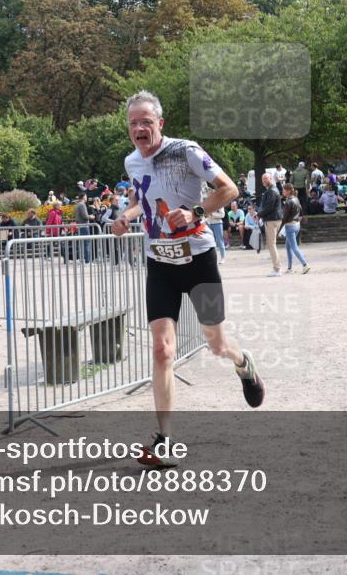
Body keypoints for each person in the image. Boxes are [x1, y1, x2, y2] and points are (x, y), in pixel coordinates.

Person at [111, 90, 264, 466]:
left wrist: (195, 212)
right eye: (133, 123)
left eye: (146, 121)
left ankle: (242, 362)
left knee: (216, 343)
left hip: (199, 261)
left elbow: (229, 189)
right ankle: (164, 439)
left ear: (159, 123)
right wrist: (127, 216)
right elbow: (142, 197)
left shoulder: (186, 151)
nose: (139, 128)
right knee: (162, 350)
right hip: (159, 261)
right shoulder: (133, 161)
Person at [257, 173, 283, 277]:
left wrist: (258, 214)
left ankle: (277, 269)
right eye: (262, 179)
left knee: (271, 244)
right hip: (273, 219)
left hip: (272, 220)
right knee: (272, 244)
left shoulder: (272, 191)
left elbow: (269, 207)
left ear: (271, 179)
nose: (263, 180)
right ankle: (277, 268)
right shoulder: (272, 190)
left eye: (266, 178)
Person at [280, 184, 309, 274]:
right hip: (296, 224)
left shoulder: (289, 202)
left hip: (290, 226)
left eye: (284, 190)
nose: (283, 192)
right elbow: (301, 212)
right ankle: (289, 268)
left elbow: (284, 217)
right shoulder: (296, 199)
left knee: (294, 247)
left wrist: (279, 228)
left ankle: (305, 265)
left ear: (288, 191)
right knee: (288, 247)